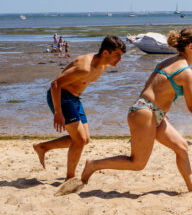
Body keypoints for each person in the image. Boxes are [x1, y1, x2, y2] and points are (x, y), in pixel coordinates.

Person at [80, 28, 192, 192]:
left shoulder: (167, 61)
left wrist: (158, 109)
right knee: (137, 163)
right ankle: (93, 164)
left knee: (182, 147)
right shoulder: (187, 74)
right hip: (145, 114)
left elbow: (149, 86)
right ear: (190, 47)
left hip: (148, 110)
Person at [33, 35, 126, 182]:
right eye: (117, 55)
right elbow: (55, 84)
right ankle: (70, 178)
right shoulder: (84, 67)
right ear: (105, 53)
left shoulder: (104, 65)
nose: (120, 59)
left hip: (74, 99)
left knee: (85, 139)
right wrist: (58, 112)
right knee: (80, 140)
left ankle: (43, 147)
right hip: (62, 97)